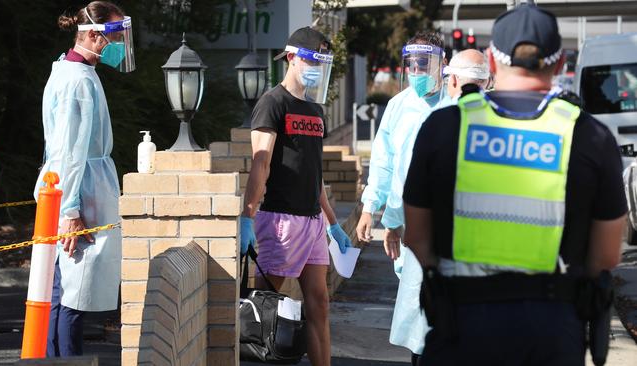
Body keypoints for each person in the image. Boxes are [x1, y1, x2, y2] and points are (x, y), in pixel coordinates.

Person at [403, 4, 626, 365]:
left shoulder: (443, 128)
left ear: (491, 61)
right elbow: (607, 256)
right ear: (559, 64)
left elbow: (415, 236)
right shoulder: (590, 137)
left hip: (460, 324)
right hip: (553, 332)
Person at [240, 26, 352, 366]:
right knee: (265, 310)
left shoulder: (315, 110)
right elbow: (261, 164)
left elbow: (313, 173)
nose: (316, 68)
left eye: (322, 61)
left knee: (319, 304)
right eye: (311, 59)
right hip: (280, 220)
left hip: (313, 223)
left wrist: (332, 224)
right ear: (291, 57)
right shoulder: (272, 103)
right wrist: (247, 216)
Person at [35, 1, 134, 357]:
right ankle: (66, 360)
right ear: (94, 34)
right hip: (81, 189)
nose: (121, 44)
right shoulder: (78, 80)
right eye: (116, 35)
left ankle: (59, 357)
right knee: (73, 292)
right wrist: (72, 208)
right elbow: (70, 151)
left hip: (77, 185)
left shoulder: (67, 70)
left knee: (66, 289)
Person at [354, 31, 451, 362]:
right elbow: (385, 164)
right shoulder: (398, 106)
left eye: (425, 64)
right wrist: (371, 209)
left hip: (452, 223)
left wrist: (391, 219)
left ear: (444, 64)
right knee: (418, 316)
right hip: (413, 227)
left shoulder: (454, 105)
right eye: (411, 65)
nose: (418, 72)